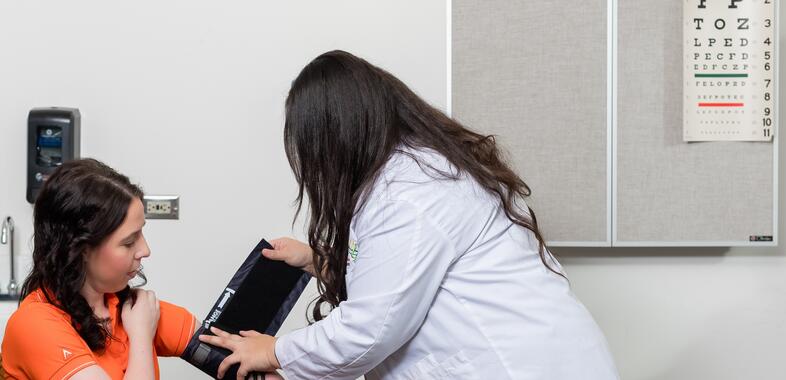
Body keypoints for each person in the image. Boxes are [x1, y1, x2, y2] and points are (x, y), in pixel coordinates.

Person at [200, 50, 620, 380]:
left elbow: (369, 329)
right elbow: (405, 276)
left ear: (334, 137)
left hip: (514, 366)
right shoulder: (420, 170)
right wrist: (318, 260)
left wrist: (274, 352)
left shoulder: (409, 193)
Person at [1, 159, 198, 379]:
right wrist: (142, 335)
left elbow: (220, 348)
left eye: (141, 233)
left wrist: (245, 348)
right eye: (128, 242)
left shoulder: (127, 307)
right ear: (82, 250)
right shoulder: (33, 326)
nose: (145, 250)